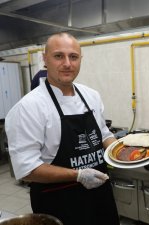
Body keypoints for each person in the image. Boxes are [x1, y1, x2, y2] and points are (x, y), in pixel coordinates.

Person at [5, 32, 120, 225]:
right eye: (59, 56)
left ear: (80, 59)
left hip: (101, 195)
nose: (67, 63)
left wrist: (121, 151)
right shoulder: (28, 107)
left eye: (73, 57)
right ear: (45, 59)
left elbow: (103, 134)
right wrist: (79, 175)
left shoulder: (91, 95)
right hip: (59, 201)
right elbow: (27, 168)